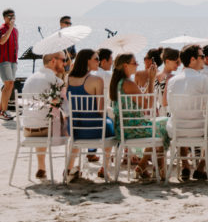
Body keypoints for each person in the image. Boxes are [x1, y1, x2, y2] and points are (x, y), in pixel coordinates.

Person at [167, 45, 208, 181]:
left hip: (177, 129)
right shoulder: (203, 80)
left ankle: (185, 166)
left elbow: (170, 107)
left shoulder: (172, 81)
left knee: (180, 120)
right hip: (198, 130)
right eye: (201, 57)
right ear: (192, 59)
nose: (204, 60)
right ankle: (201, 167)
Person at [110, 53, 165, 180]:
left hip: (124, 128)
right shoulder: (128, 83)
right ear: (125, 65)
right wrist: (151, 80)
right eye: (134, 63)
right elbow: (148, 105)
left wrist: (148, 84)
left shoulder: (120, 82)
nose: (138, 65)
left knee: (161, 125)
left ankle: (143, 166)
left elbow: (141, 99)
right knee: (164, 128)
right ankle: (155, 169)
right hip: (134, 128)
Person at [66, 48, 114, 180]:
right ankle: (105, 167)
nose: (98, 62)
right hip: (94, 129)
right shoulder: (97, 80)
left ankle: (69, 168)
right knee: (111, 126)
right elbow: (100, 110)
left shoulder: (68, 78)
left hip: (74, 128)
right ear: (87, 61)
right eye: (96, 59)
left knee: (77, 136)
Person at [22, 51, 70, 180]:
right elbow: (67, 108)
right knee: (73, 123)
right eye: (63, 60)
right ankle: (70, 168)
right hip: (45, 132)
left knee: (43, 117)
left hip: (27, 130)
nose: (65, 64)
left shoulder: (30, 79)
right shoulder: (56, 81)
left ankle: (41, 167)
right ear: (53, 61)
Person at [0, 8, 19, 120]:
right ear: (4, 18)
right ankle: (4, 111)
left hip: (13, 60)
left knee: (10, 84)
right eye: (9, 16)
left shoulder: (16, 30)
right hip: (3, 60)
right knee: (8, 84)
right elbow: (2, 41)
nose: (11, 18)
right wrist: (10, 28)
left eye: (13, 16)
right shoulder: (1, 29)